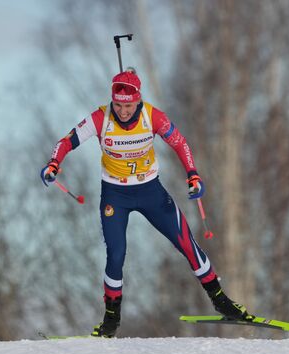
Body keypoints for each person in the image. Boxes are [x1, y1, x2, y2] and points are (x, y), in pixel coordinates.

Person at [40, 69, 253, 338]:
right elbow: (66, 141)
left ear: (138, 101)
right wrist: (53, 164)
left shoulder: (153, 116)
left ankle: (221, 300)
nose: (123, 111)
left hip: (150, 190)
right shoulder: (100, 118)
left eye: (128, 105)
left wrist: (193, 175)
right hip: (115, 194)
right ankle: (111, 318)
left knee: (185, 241)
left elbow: (180, 143)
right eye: (118, 105)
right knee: (116, 253)